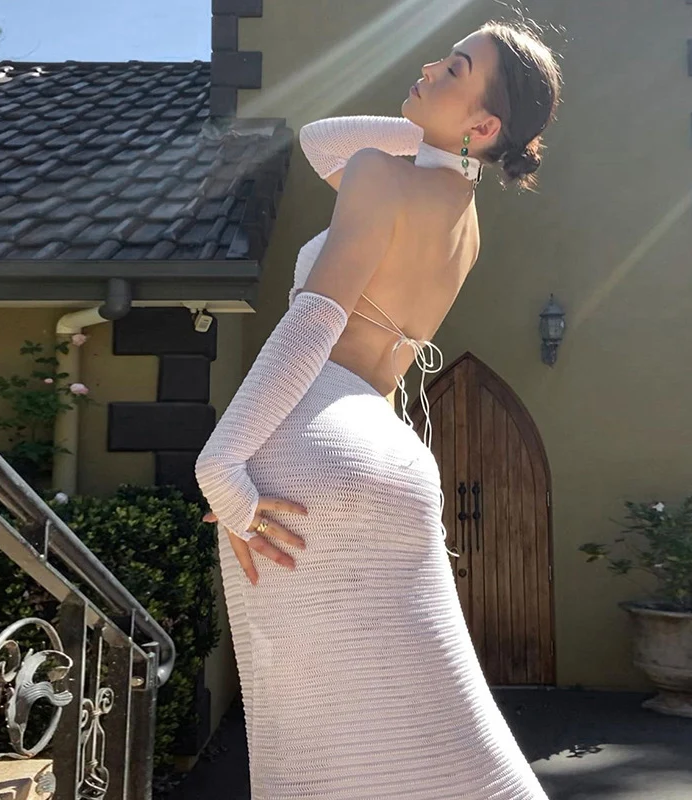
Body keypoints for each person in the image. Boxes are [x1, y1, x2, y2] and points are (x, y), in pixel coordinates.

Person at [195, 18, 562, 800]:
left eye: (454, 68)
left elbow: (317, 315)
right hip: (390, 451)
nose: (429, 66)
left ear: (485, 124)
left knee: (313, 748)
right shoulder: (463, 223)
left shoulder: (380, 174)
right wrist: (448, 136)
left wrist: (221, 457)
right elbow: (321, 142)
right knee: (435, 725)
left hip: (311, 431)